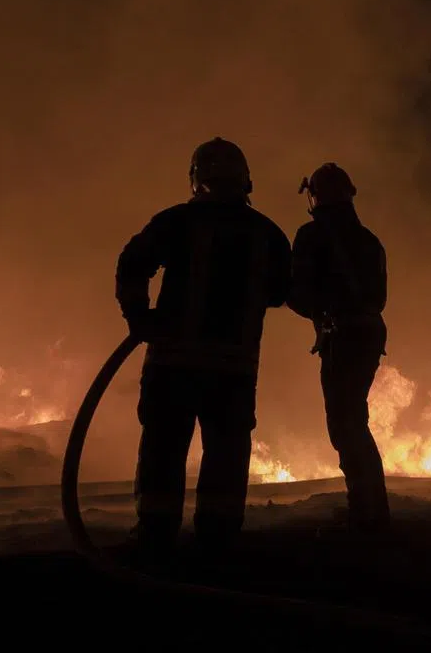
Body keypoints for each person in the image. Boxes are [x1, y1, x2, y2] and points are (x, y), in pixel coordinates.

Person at [115, 137, 292, 562]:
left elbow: (132, 264)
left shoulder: (176, 222)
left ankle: (155, 538)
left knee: (163, 449)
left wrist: (140, 317)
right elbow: (281, 292)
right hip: (234, 371)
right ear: (245, 180)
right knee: (226, 456)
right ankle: (217, 542)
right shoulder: (267, 233)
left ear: (197, 179)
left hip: (173, 366)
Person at [287, 162, 391, 534]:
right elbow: (378, 298)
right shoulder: (369, 240)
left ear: (314, 196)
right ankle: (372, 507)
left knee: (345, 425)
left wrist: (318, 309)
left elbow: (296, 293)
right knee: (354, 421)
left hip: (341, 337)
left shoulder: (311, 236)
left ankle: (365, 512)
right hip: (369, 334)